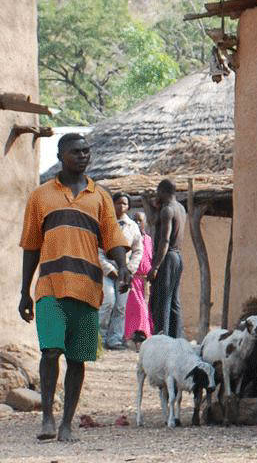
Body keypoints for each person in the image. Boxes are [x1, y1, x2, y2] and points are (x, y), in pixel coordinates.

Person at [19, 133, 129, 442]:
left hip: (86, 287)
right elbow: (30, 246)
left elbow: (113, 238)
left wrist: (122, 268)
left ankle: (67, 422)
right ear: (60, 155)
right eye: (76, 151)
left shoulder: (100, 197)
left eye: (86, 150)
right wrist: (23, 292)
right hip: (49, 287)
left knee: (77, 358)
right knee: (51, 350)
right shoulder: (40, 196)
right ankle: (47, 418)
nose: (83, 155)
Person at [97, 194, 140, 351]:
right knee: (108, 302)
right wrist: (108, 269)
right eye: (118, 203)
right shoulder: (105, 225)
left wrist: (129, 269)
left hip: (125, 272)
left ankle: (114, 339)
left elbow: (138, 250)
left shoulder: (133, 227)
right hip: (107, 271)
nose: (121, 206)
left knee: (121, 306)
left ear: (128, 207)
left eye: (124, 203)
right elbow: (98, 250)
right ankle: (99, 339)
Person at [147, 179, 187, 339]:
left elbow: (165, 240)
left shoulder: (167, 210)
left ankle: (161, 339)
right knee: (174, 301)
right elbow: (154, 221)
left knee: (162, 300)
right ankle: (176, 338)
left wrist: (155, 266)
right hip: (177, 257)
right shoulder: (181, 208)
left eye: (158, 192)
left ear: (163, 192)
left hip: (167, 258)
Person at [123, 212, 153, 345]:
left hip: (145, 281)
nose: (137, 223)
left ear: (145, 222)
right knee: (137, 308)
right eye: (135, 220)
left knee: (145, 309)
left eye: (140, 220)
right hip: (133, 278)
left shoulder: (148, 239)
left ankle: (143, 336)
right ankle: (134, 335)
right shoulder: (130, 237)